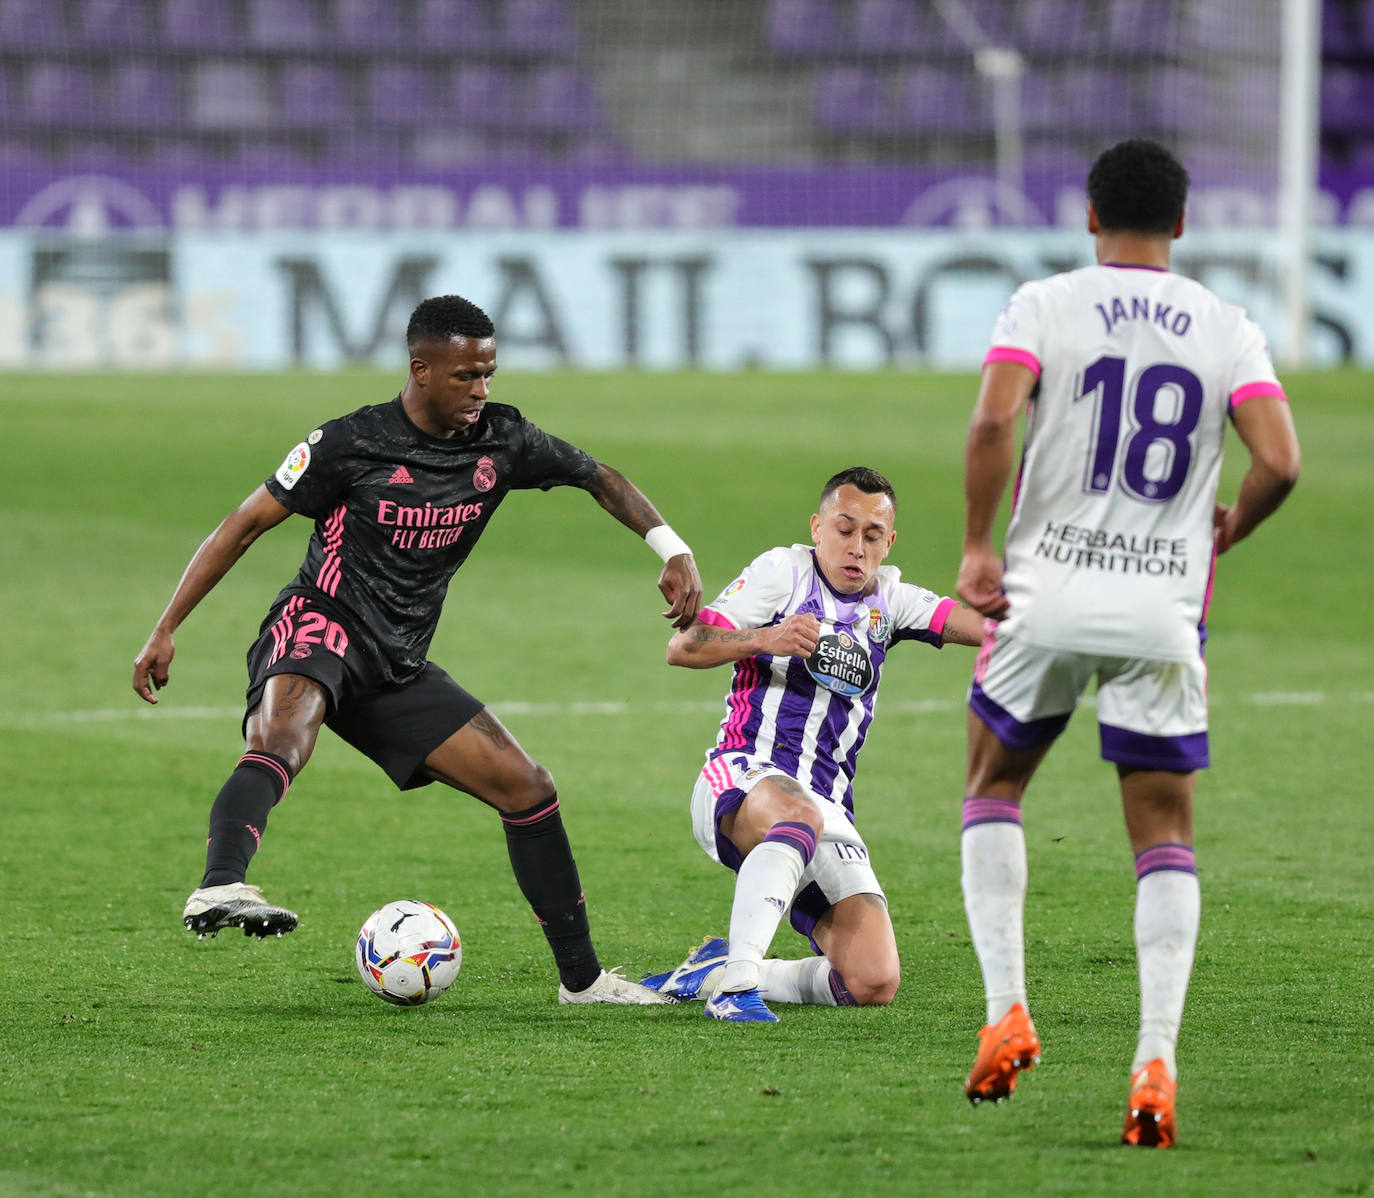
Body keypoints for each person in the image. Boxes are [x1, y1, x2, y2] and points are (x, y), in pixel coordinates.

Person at [132, 293, 703, 1007]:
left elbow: (599, 477)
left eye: (489, 373)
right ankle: (220, 886)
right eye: (467, 376)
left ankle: (583, 984)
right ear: (421, 370)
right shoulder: (348, 443)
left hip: (396, 665)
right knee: (283, 735)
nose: (482, 391)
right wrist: (166, 627)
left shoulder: (504, 441)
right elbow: (243, 524)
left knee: (529, 789)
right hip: (324, 622)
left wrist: (671, 547)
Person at [955, 140, 1301, 1144]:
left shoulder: (1044, 304)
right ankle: (1155, 1061)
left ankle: (1005, 1009)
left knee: (994, 785)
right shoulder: (1227, 326)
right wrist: (1229, 521)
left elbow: (991, 423)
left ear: (1092, 217)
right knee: (1163, 833)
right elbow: (1280, 459)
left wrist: (979, 546)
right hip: (1160, 609)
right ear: (1182, 227)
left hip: (1044, 593)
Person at [641, 467, 984, 1022]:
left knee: (871, 980)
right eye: (844, 530)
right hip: (743, 773)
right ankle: (738, 989)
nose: (857, 547)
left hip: (826, 809)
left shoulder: (890, 599)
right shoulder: (784, 573)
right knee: (797, 814)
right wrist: (763, 638)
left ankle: (717, 972)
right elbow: (684, 645)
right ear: (817, 527)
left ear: (888, 542)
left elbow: (981, 626)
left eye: (872, 535)